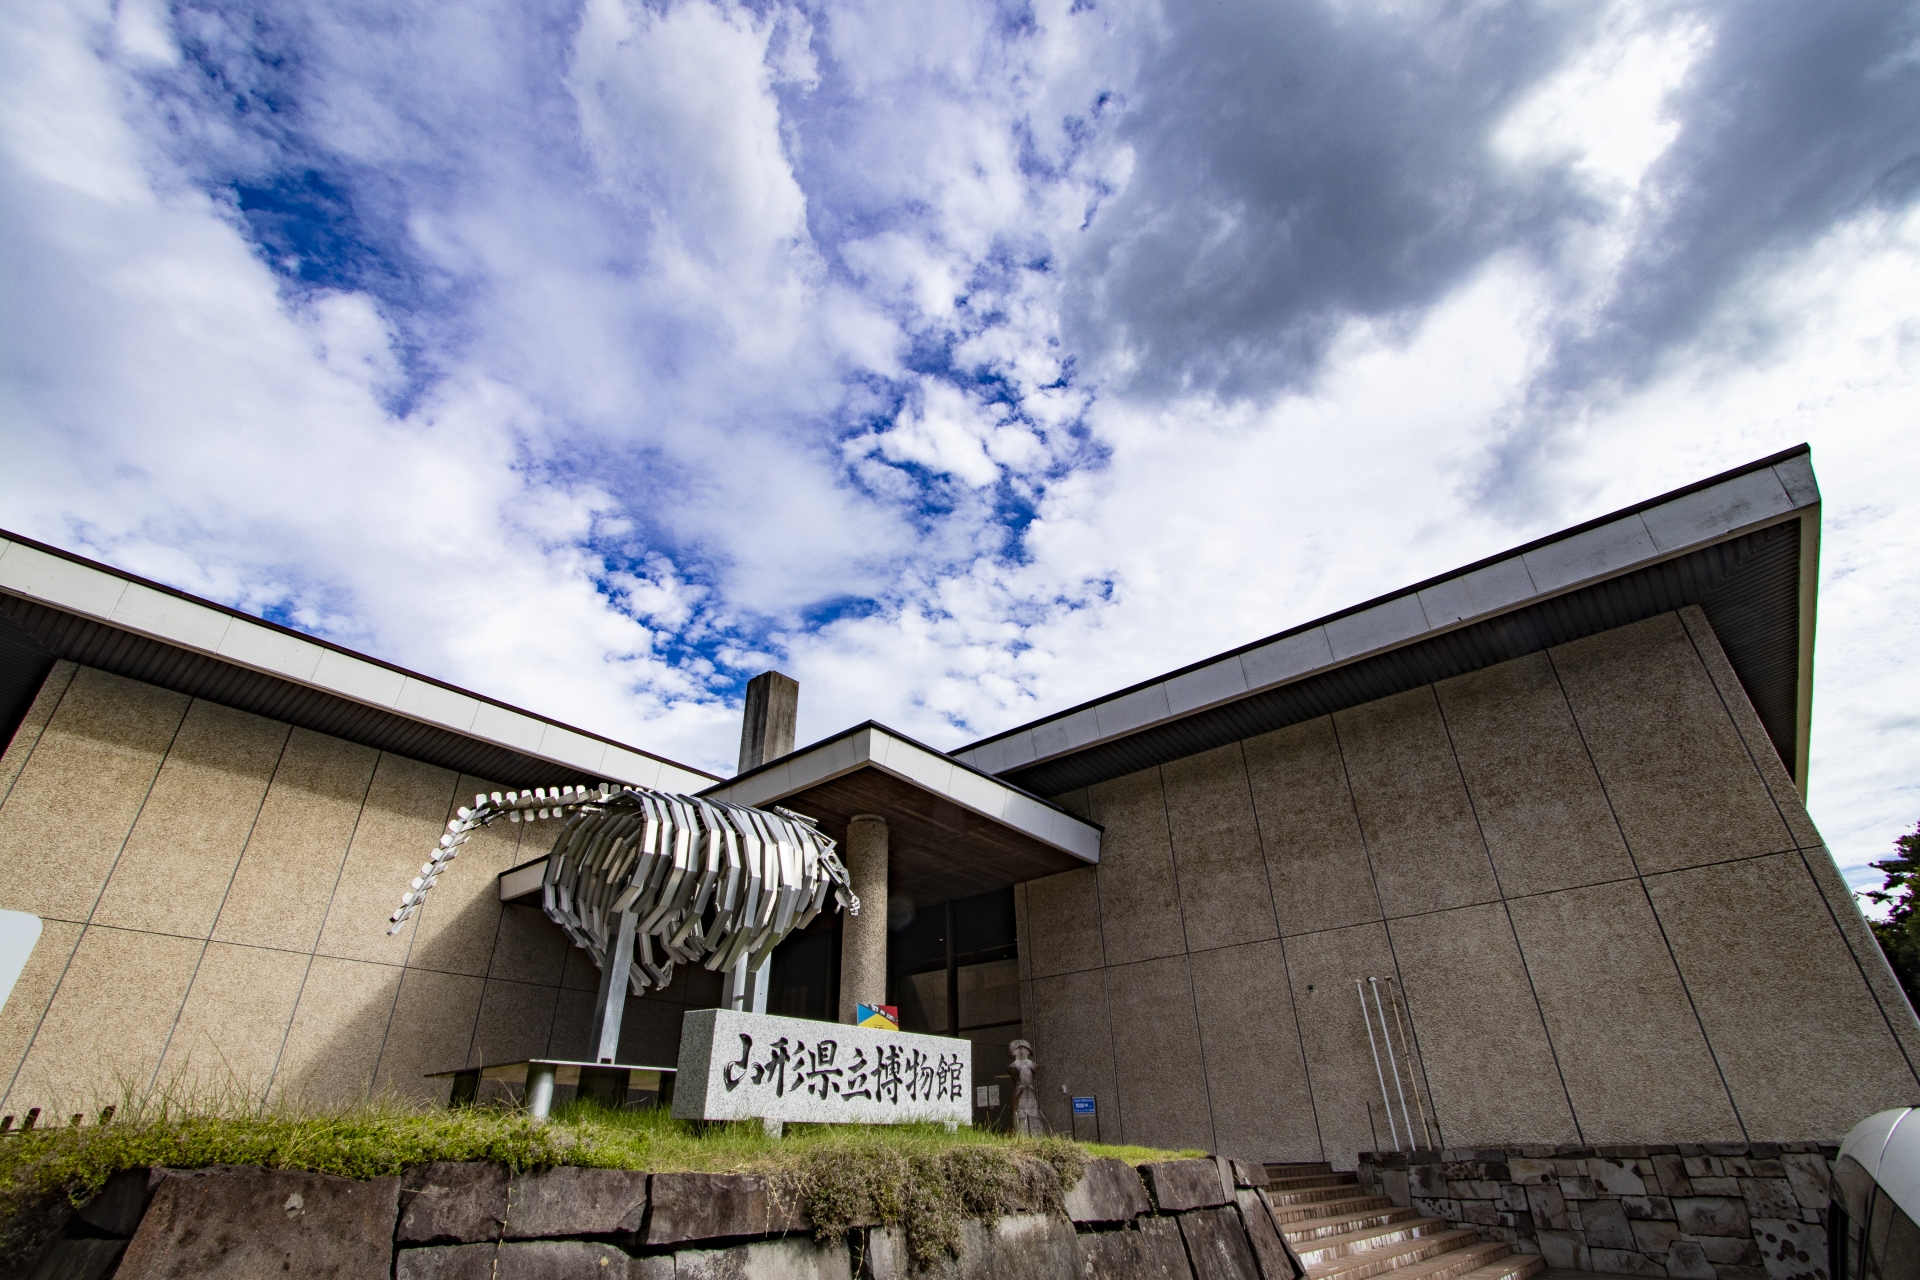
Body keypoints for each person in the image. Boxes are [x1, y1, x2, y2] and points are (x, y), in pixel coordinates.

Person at [1008, 1040, 1042, 1136]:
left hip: (1026, 1093)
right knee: (1020, 1116)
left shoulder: (1015, 1066)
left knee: (1032, 1115)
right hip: (1022, 1092)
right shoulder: (1014, 1066)